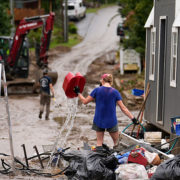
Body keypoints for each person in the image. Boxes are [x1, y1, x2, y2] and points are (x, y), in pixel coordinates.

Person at [73, 73, 138, 149]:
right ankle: (116, 158)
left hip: (99, 119)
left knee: (99, 143)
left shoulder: (97, 90)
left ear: (102, 80)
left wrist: (78, 92)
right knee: (116, 143)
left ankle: (99, 158)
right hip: (111, 120)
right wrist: (133, 118)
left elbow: (84, 101)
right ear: (111, 81)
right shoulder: (115, 92)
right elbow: (123, 108)